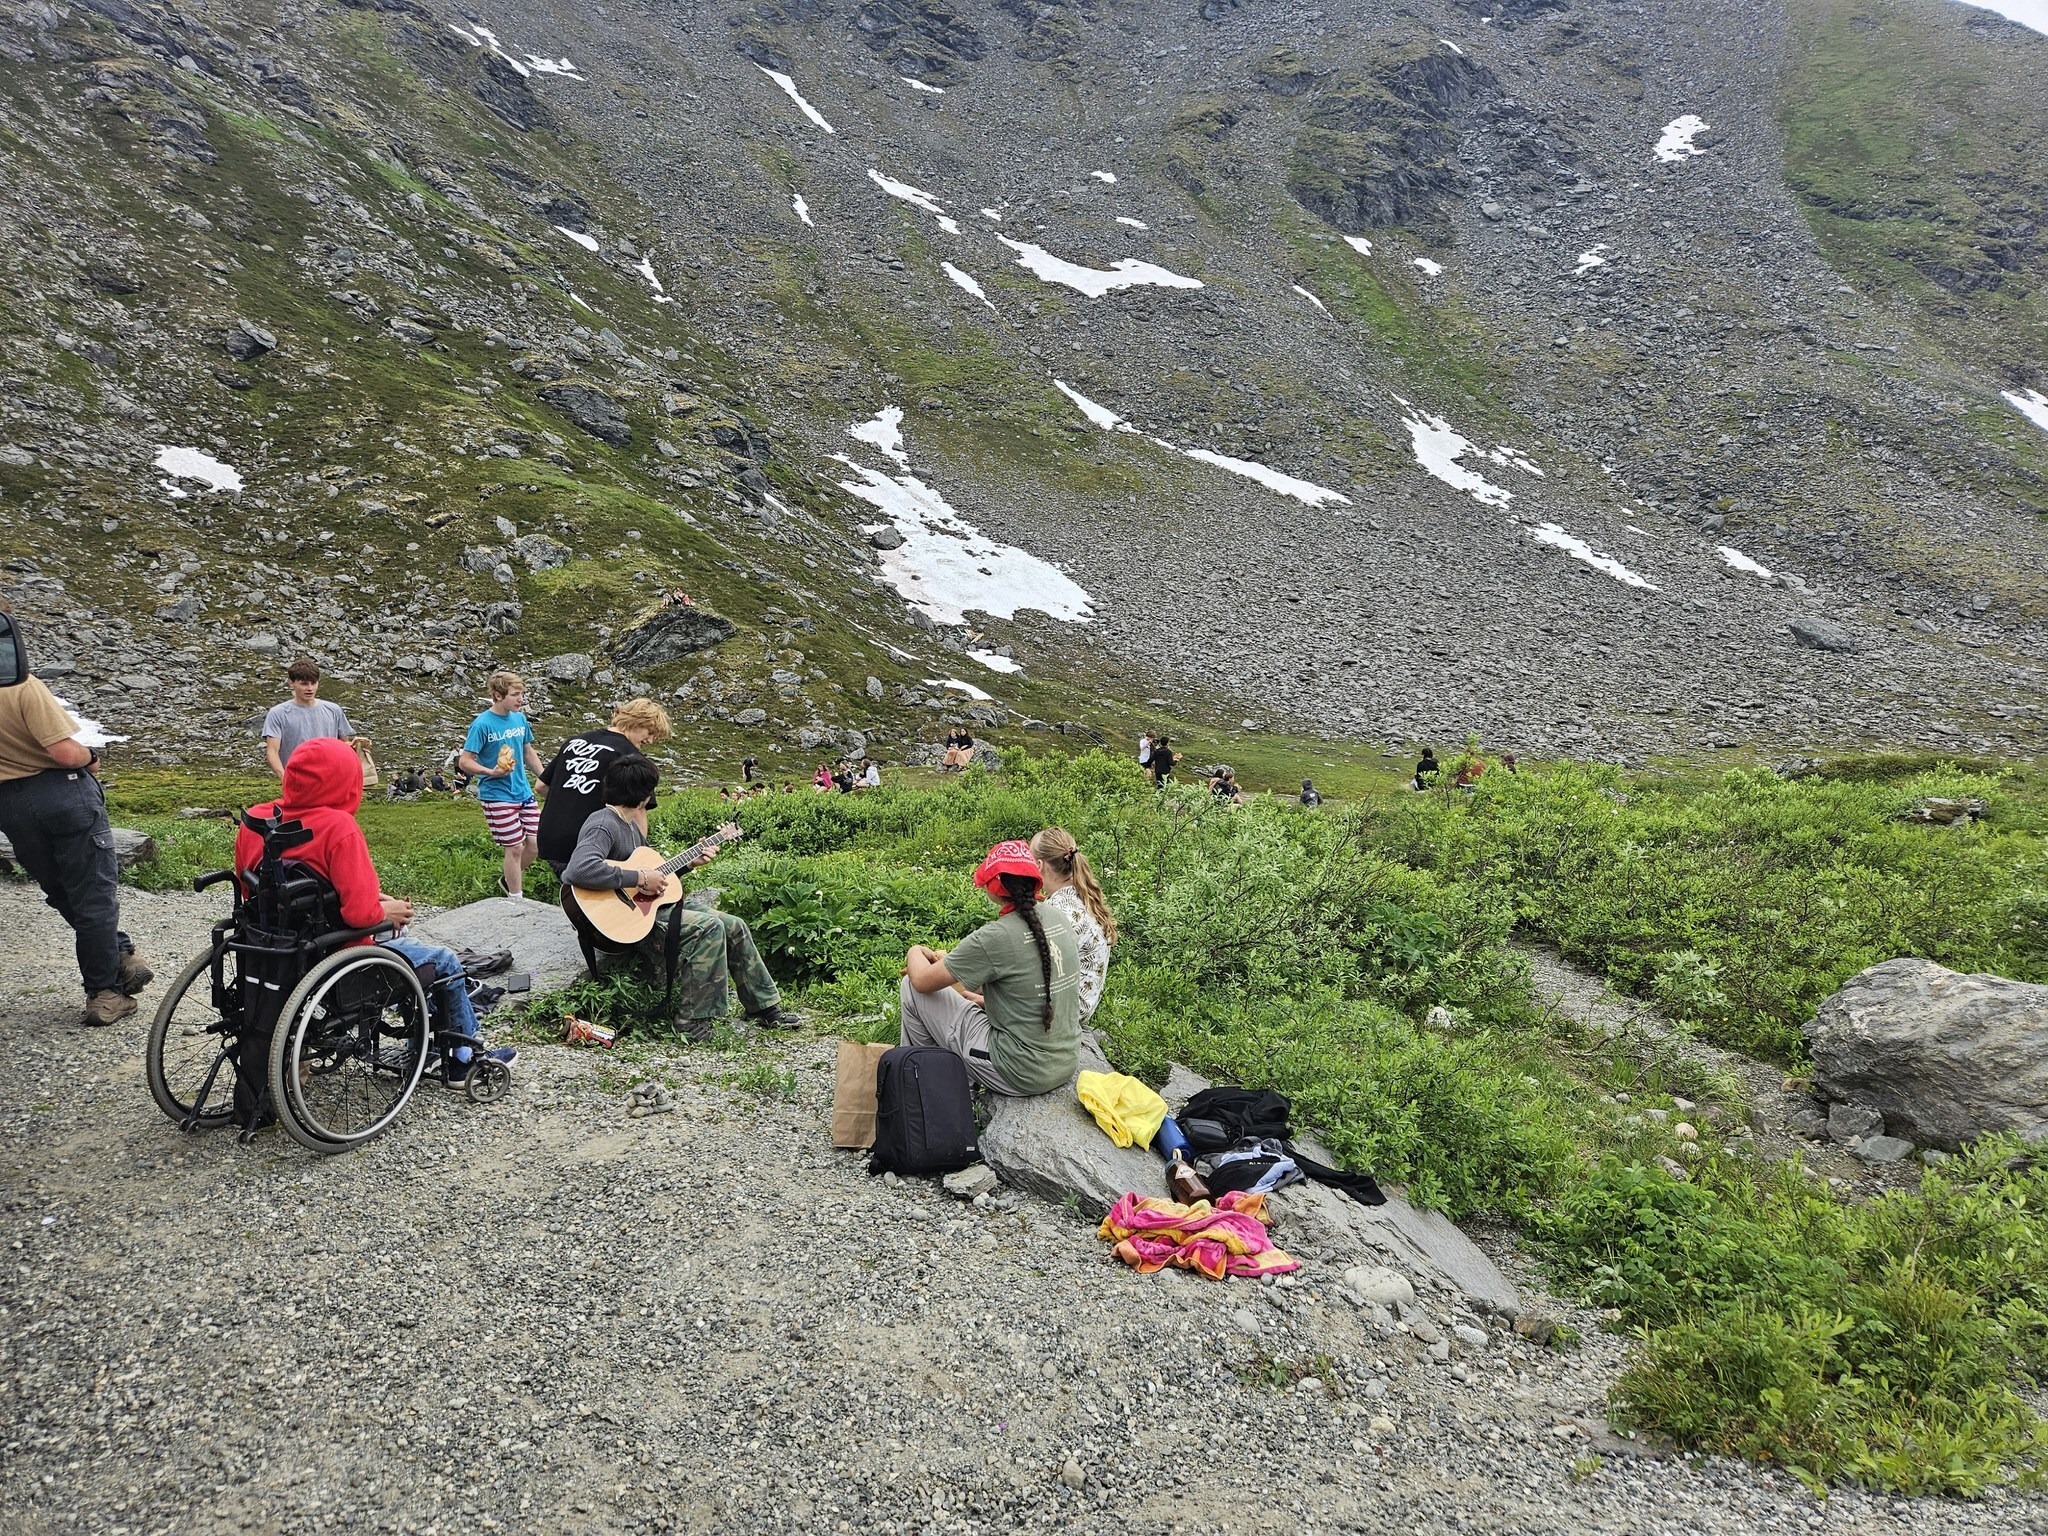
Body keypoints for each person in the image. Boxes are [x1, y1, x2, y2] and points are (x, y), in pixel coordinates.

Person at [232, 738, 517, 1086]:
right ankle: (463, 1059)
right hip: (338, 958)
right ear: (344, 781)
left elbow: (260, 889)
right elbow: (359, 917)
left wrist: (366, 899)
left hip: (272, 950)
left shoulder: (258, 819)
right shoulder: (338, 827)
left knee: (409, 945)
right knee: (442, 960)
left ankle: (427, 1045)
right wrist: (388, 912)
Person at [560, 755, 799, 1041]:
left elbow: (649, 881)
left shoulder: (630, 826)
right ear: (645, 796)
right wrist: (639, 878)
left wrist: (687, 864)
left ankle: (763, 1007)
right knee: (707, 928)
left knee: (733, 924)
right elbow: (579, 869)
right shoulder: (604, 824)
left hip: (644, 911)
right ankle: (692, 1022)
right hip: (619, 925)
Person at [0, 605, 149, 1025]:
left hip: (10, 805)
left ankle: (118, 954)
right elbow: (64, 752)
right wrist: (92, 758)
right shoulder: (22, 686)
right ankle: (105, 991)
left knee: (62, 889)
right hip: (63, 796)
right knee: (93, 896)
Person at [901, 841, 1080, 1095]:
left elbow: (921, 980)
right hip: (1065, 1063)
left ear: (993, 887)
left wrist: (915, 950)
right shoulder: (1058, 918)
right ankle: (938, 1078)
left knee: (910, 988)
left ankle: (925, 1085)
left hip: (1019, 1071)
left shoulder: (994, 937)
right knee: (960, 998)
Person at [535, 697, 672, 877]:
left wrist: (570, 799)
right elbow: (637, 809)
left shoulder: (576, 741)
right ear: (637, 721)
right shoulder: (628, 755)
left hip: (549, 841)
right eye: (650, 732)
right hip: (590, 847)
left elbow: (541, 786)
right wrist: (639, 860)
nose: (651, 740)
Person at [459, 671, 548, 899]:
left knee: (537, 844)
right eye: (515, 695)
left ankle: (508, 880)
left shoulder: (519, 718)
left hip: (523, 791)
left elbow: (528, 751)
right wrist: (491, 772)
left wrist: (546, 777)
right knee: (515, 847)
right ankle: (516, 898)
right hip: (496, 794)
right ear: (498, 696)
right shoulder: (482, 724)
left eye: (522, 694)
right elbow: (465, 761)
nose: (521, 699)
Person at [1031, 827, 1115, 1026]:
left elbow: (1030, 970)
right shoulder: (1082, 897)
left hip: (1061, 1013)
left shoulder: (1057, 912)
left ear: (1040, 865)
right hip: (1080, 1007)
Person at [262, 657, 356, 779]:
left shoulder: (334, 710)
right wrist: (284, 778)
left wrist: (358, 746)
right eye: (304, 684)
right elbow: (272, 752)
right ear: (291, 683)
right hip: (297, 780)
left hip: (330, 779)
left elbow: (344, 746)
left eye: (313, 683)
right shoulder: (278, 713)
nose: (310, 688)